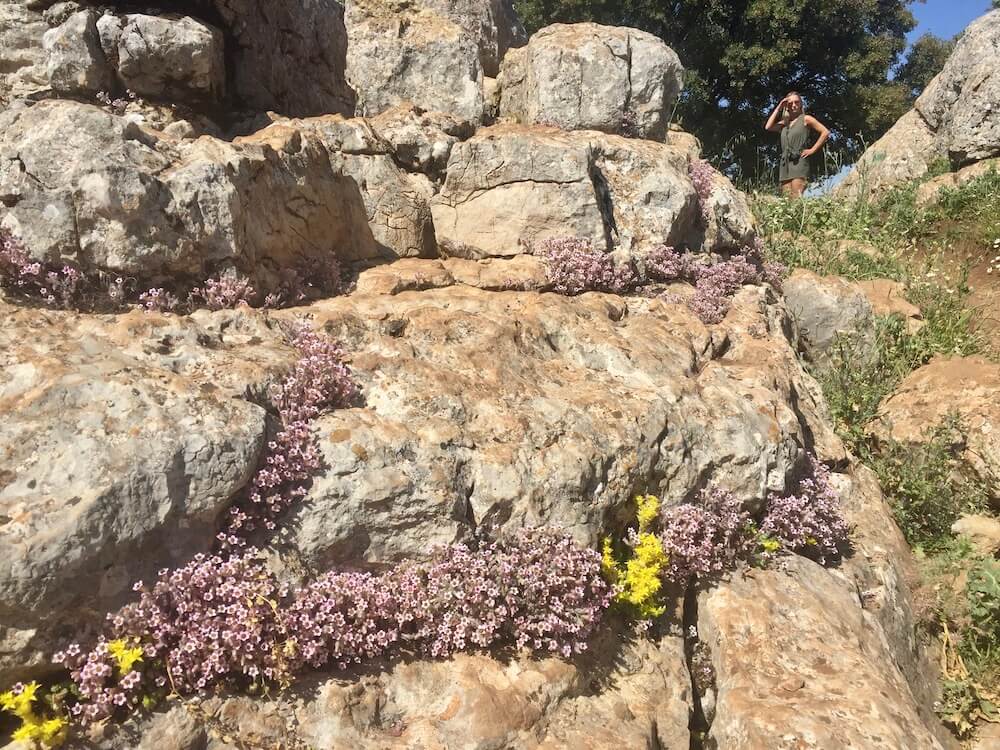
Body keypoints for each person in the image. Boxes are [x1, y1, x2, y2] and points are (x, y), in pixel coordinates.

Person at [764, 91, 830, 198]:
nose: (794, 105)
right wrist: (779, 107)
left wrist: (812, 150)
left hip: (799, 161)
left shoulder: (806, 119)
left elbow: (825, 132)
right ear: (786, 106)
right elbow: (768, 127)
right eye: (790, 103)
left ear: (801, 104)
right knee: (786, 199)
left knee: (796, 197)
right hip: (785, 163)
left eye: (797, 102)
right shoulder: (784, 123)